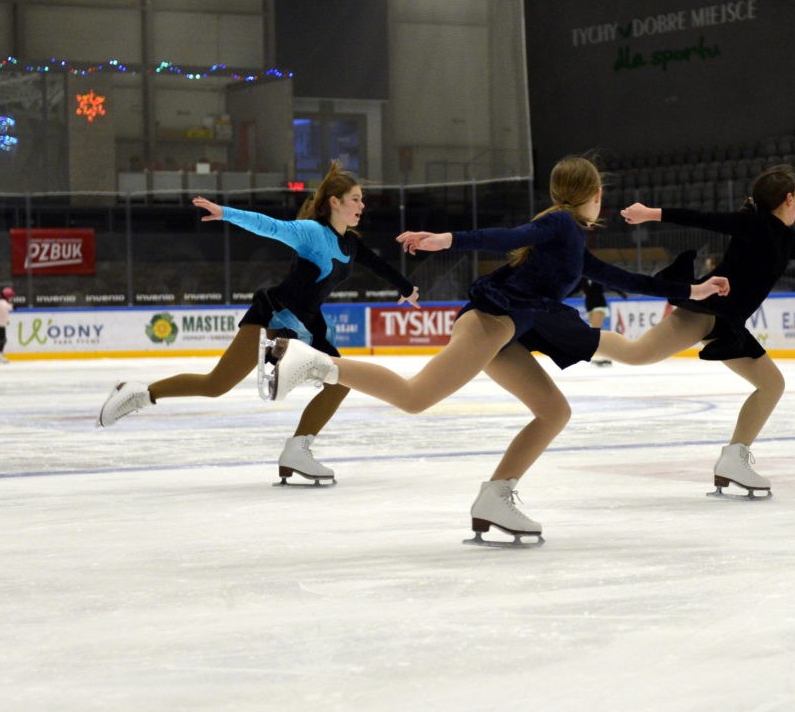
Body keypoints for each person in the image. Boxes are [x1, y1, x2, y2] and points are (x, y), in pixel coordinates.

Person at [267, 155, 730, 545]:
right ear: (595, 195)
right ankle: (306, 361)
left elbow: (625, 278)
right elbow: (508, 237)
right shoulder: (559, 223)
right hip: (493, 323)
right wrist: (449, 240)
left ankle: (496, 496)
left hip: (514, 329)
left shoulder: (571, 237)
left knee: (554, 411)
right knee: (414, 396)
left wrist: (691, 290)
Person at [593, 164, 795, 498]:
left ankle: (734, 458)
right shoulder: (754, 225)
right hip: (707, 311)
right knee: (637, 354)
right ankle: (580, 338)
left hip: (726, 324)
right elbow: (702, 218)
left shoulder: (787, 239)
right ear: (789, 199)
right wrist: (650, 213)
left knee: (771, 384)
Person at [96, 162, 419, 488]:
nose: (362, 205)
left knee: (340, 381)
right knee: (216, 384)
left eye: (362, 200)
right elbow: (269, 226)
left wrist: (406, 288)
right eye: (356, 199)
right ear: (335, 202)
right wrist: (225, 213)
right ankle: (138, 393)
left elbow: (378, 264)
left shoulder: (350, 243)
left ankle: (297, 449)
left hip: (308, 326)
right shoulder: (311, 232)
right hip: (275, 316)